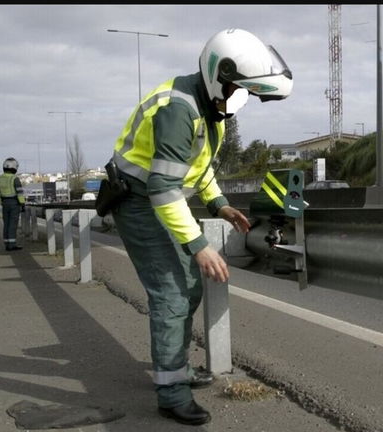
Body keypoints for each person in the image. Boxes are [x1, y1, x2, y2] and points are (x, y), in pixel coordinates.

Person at [109, 28, 293, 426]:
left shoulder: (214, 109)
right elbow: (162, 187)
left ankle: (174, 368)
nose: (242, 99)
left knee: (189, 286)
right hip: (139, 201)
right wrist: (198, 244)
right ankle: (171, 391)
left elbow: (200, 166)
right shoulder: (181, 110)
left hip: (156, 197)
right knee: (172, 294)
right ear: (219, 77)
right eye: (239, 90)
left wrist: (220, 205)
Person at [0, 157, 26, 251]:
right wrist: (22, 204)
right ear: (14, 168)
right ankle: (12, 244)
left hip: (4, 203)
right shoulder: (14, 179)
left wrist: (2, 203)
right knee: (13, 224)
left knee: (6, 223)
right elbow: (19, 193)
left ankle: (7, 244)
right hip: (14, 203)